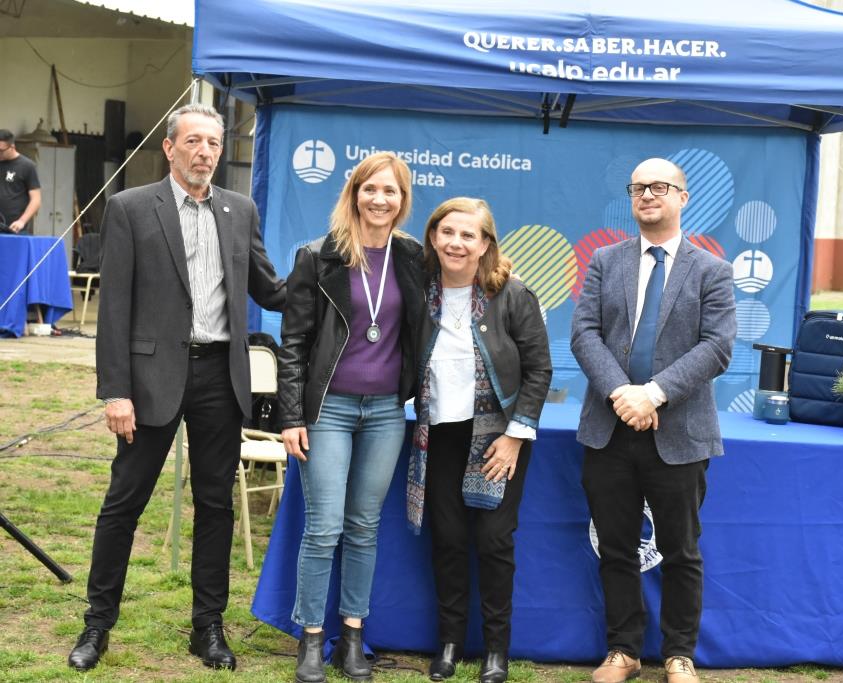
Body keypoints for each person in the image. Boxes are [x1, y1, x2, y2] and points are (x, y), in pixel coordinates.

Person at [67, 104, 287, 672]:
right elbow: (113, 308)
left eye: (214, 143)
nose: (205, 152)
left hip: (221, 376)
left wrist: (335, 268)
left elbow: (270, 287)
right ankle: (97, 626)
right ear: (170, 148)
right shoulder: (131, 208)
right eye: (193, 141)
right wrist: (115, 391)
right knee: (124, 504)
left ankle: (207, 629)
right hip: (150, 380)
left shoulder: (241, 210)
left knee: (215, 505)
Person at [570, 158, 736, 683]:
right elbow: (584, 334)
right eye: (638, 188)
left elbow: (717, 347)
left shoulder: (712, 270)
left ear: (683, 197)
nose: (647, 195)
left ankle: (679, 655)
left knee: (681, 550)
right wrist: (623, 392)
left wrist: (655, 395)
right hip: (609, 426)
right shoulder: (604, 261)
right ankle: (623, 651)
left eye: (659, 187)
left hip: (680, 434)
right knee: (615, 546)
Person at [277, 152, 425, 683]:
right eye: (371, 189)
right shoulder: (318, 256)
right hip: (329, 411)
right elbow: (292, 343)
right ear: (354, 193)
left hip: (386, 411)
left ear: (402, 200)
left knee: (364, 527)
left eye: (391, 191)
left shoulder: (412, 257)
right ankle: (311, 639)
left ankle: (353, 638)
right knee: (324, 528)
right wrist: (291, 415)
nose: (380, 199)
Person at [408, 197, 552, 683]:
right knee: (447, 539)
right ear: (433, 236)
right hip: (439, 436)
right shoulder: (419, 292)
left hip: (499, 436)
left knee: (493, 541)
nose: (456, 242)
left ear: (486, 243)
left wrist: (515, 436)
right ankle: (449, 643)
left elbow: (539, 369)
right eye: (447, 232)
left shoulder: (512, 294)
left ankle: (496, 650)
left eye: (469, 235)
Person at [0, 129, 42, 234]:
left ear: (12, 147)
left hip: (15, 229)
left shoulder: (27, 166)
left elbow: (36, 200)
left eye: (1, 150)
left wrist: (22, 221)